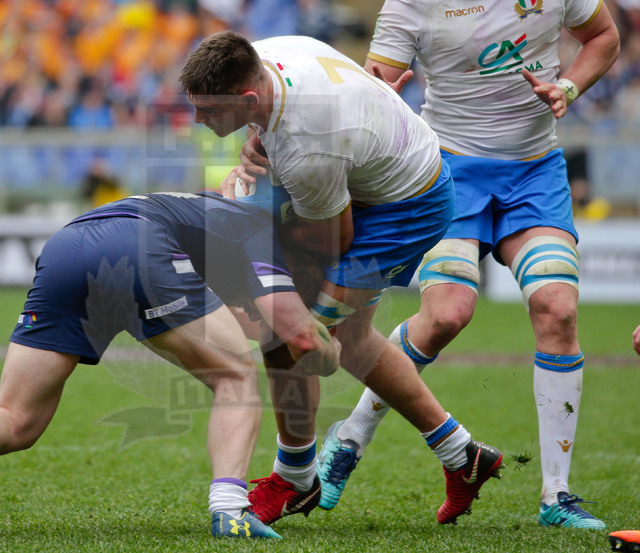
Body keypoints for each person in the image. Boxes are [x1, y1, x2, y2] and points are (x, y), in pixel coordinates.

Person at [0, 190, 341, 541]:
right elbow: (297, 335)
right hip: (139, 246)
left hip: (68, 245)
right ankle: (230, 509)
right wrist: (333, 344)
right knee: (235, 379)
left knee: (17, 418)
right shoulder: (261, 230)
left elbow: (236, 314)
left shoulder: (212, 211)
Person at [316, 0, 620, 530]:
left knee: (558, 310)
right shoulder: (410, 5)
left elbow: (603, 37)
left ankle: (558, 496)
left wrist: (568, 87)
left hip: (535, 173)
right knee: (446, 316)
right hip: (447, 170)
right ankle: (350, 436)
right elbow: (374, 87)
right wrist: (378, 101)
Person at [180, 30, 504, 527]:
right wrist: (256, 137)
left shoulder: (309, 146)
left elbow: (334, 235)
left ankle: (295, 477)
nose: (197, 120)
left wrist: (259, 225)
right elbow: (285, 127)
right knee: (350, 339)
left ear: (248, 97)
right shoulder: (266, 56)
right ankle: (463, 455)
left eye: (208, 111)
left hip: (403, 211)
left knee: (291, 336)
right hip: (381, 173)